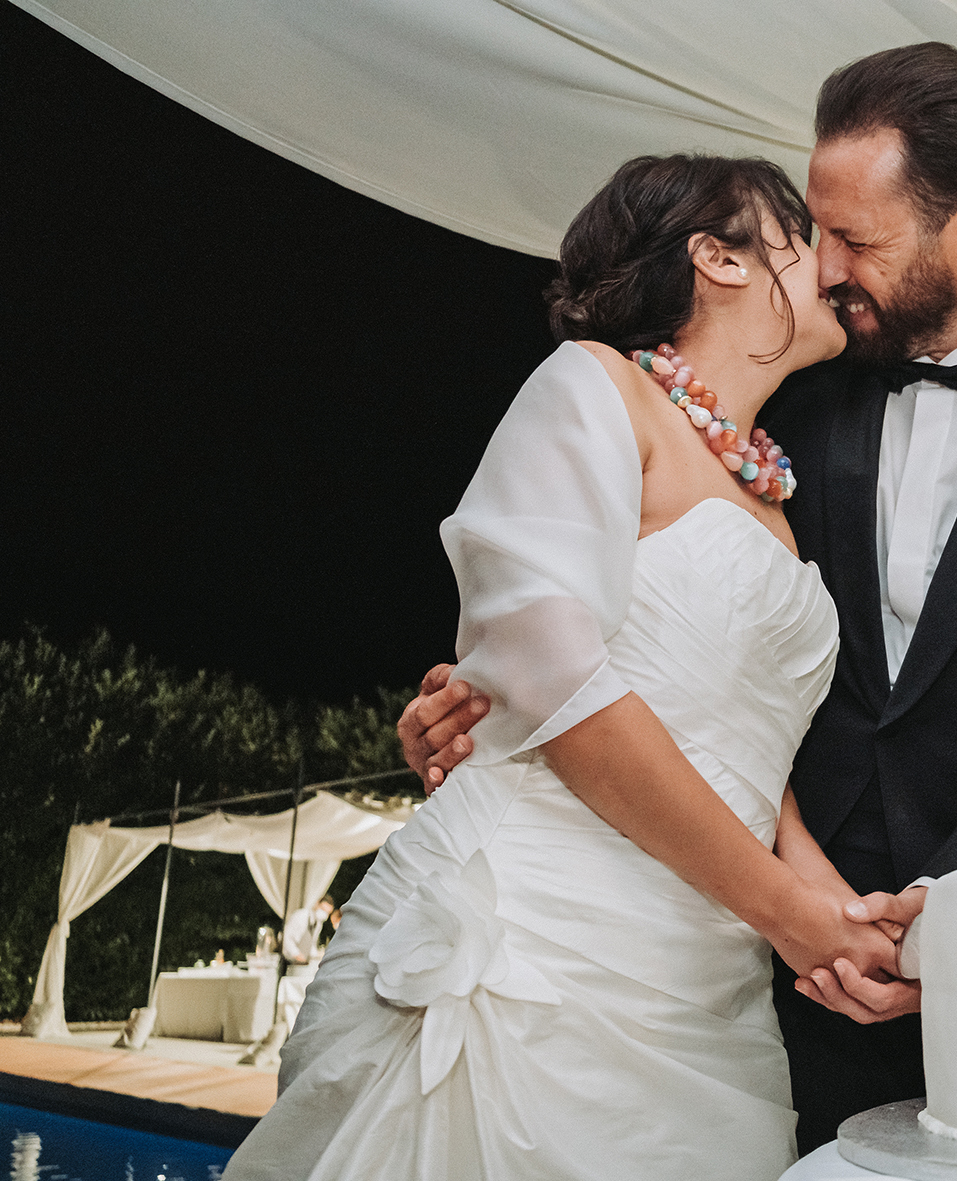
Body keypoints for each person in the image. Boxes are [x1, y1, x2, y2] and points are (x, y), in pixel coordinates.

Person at [402, 42, 957, 1151]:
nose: (825, 266)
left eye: (855, 239)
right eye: (811, 232)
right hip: (772, 972)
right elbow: (614, 623)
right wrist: (486, 696)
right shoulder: (790, 404)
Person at [225, 154, 895, 1180]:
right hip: (529, 941)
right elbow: (556, 684)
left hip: (700, 975)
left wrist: (845, 924)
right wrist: (782, 910)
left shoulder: (769, 491)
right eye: (799, 234)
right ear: (716, 257)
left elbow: (750, 759)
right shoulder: (595, 385)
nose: (830, 261)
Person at [280, 895, 336, 965]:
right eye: (323, 909)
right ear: (317, 904)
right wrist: (296, 953)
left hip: (301, 962)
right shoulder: (301, 916)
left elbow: (312, 942)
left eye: (327, 913)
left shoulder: (318, 923)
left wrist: (317, 956)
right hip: (288, 960)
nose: (324, 914)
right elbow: (287, 937)